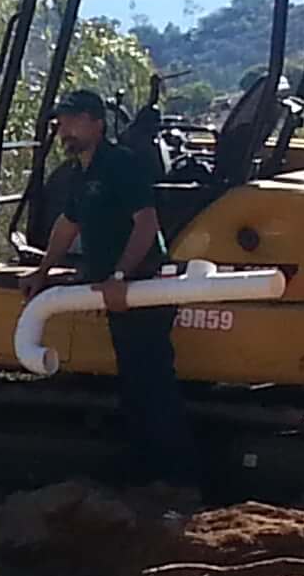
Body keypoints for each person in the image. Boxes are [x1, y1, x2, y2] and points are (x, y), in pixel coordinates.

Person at [21, 86, 200, 494]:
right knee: (134, 386)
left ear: (95, 123)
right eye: (60, 122)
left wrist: (120, 277)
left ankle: (180, 481)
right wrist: (43, 271)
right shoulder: (83, 174)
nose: (62, 129)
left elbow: (146, 224)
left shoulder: (121, 164)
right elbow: (68, 225)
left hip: (140, 292)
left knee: (153, 385)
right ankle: (146, 476)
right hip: (117, 294)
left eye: (70, 120)